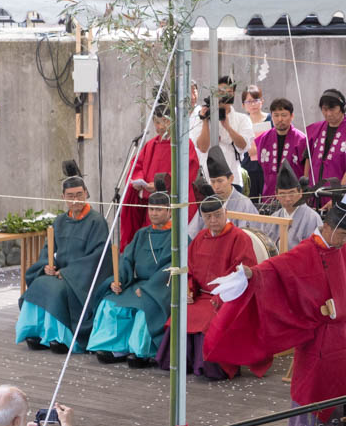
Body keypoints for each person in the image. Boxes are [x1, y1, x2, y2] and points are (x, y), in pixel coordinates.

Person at [204, 201, 346, 426]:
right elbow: (276, 268)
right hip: (314, 338)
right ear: (327, 227)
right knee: (313, 391)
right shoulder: (305, 251)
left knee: (344, 389)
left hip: (340, 335)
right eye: (342, 234)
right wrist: (252, 274)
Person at [157, 184, 257, 380]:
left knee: (207, 321)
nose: (213, 221)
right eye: (208, 217)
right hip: (200, 295)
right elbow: (190, 270)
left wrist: (222, 295)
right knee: (180, 315)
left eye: (218, 215)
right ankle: (182, 364)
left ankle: (210, 368)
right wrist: (189, 290)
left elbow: (243, 273)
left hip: (226, 297)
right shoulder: (200, 238)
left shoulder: (240, 238)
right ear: (202, 218)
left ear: (226, 212)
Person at [17, 163, 110, 353]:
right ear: (63, 198)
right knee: (39, 284)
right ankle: (37, 332)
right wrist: (46, 266)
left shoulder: (97, 221)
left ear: (86, 194)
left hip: (79, 278)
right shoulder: (59, 221)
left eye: (79, 195)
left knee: (55, 289)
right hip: (59, 271)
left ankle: (60, 337)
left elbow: (99, 256)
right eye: (70, 196)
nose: (75, 200)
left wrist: (67, 273)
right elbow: (48, 249)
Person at [87, 177, 174, 367]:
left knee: (145, 307)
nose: (154, 213)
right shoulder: (142, 234)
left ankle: (141, 351)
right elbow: (127, 259)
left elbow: (171, 268)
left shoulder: (178, 236)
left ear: (169, 211)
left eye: (159, 209)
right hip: (138, 283)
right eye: (151, 209)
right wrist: (119, 280)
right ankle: (115, 347)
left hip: (162, 287)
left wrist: (151, 288)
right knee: (111, 302)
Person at [119, 101, 198, 249]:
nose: (160, 127)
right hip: (151, 204)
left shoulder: (184, 144)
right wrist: (139, 181)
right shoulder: (151, 144)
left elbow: (187, 169)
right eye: (156, 122)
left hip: (171, 204)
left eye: (164, 122)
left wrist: (161, 184)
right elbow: (137, 165)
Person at [191, 75, 255, 194]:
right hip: (208, 180)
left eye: (229, 92)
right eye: (221, 91)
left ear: (234, 94)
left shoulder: (242, 119)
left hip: (232, 178)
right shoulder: (201, 117)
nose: (225, 95)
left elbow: (244, 146)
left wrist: (228, 127)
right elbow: (203, 147)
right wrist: (205, 121)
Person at [189, 153, 266, 240]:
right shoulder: (208, 202)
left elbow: (247, 239)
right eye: (213, 182)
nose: (216, 186)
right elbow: (191, 233)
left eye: (220, 181)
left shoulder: (244, 204)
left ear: (231, 179)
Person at [304, 89, 346, 192]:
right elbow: (308, 159)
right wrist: (305, 185)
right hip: (314, 193)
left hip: (340, 194)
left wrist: (336, 195)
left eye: (332, 109)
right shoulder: (314, 130)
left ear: (343, 108)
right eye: (325, 109)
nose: (329, 114)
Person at [250, 97, 309, 199]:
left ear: (292, 116)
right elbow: (259, 164)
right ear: (271, 116)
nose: (280, 119)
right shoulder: (264, 138)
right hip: (269, 194)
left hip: (293, 196)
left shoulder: (301, 139)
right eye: (276, 115)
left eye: (284, 115)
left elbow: (306, 171)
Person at [271, 163, 321, 247]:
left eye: (291, 193)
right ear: (276, 195)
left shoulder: (312, 218)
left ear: (300, 192)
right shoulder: (274, 217)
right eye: (282, 194)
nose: (287, 198)